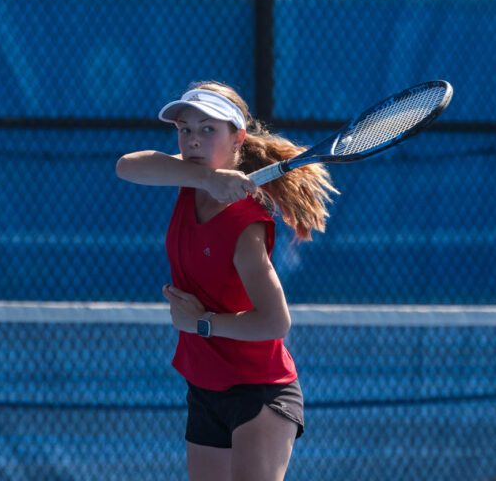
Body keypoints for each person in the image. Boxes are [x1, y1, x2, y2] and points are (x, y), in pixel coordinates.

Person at [116, 81, 338, 481]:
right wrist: (205, 180)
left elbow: (275, 322)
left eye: (207, 129)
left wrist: (202, 323)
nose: (193, 140)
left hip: (260, 392)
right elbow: (127, 165)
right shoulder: (189, 177)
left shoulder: (244, 224)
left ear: (237, 138)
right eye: (185, 129)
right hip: (204, 388)